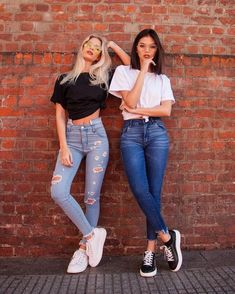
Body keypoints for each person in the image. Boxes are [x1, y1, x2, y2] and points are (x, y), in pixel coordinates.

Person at [50, 34, 130, 274]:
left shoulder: (103, 77)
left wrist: (113, 46)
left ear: (99, 55)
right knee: (58, 191)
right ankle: (92, 234)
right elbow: (59, 115)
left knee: (91, 197)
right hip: (71, 139)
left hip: (97, 137)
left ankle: (84, 250)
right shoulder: (63, 79)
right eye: (90, 45)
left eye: (98, 48)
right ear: (82, 47)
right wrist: (63, 146)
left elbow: (128, 66)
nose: (93, 50)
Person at [109, 29, 182, 277]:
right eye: (142, 46)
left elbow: (166, 112)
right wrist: (140, 70)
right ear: (136, 48)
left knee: (154, 192)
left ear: (157, 50)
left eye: (151, 46)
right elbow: (129, 99)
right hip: (131, 134)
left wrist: (138, 109)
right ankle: (167, 236)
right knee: (140, 190)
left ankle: (150, 250)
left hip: (157, 134)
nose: (147, 50)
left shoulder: (162, 79)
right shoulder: (122, 72)